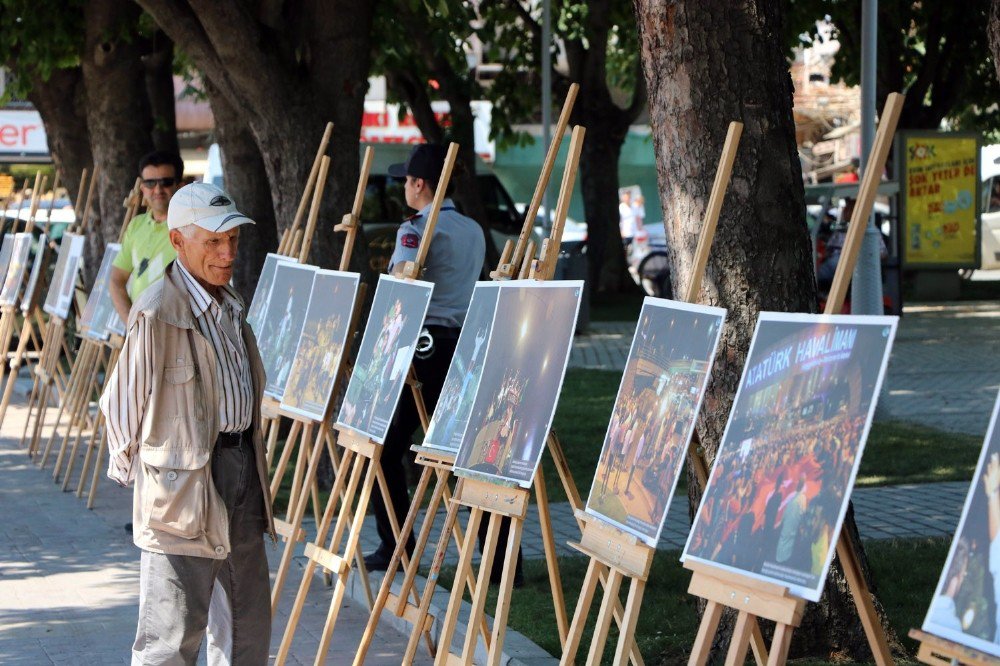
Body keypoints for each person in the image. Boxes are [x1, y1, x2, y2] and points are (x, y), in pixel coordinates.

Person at [100, 182, 274, 664]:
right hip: (182, 486)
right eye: (214, 242)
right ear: (177, 242)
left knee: (246, 624)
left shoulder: (230, 305)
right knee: (172, 636)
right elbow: (119, 406)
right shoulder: (156, 311)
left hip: (241, 471)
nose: (228, 252)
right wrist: (149, 480)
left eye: (233, 240)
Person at [364, 143, 486, 572]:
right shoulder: (472, 229)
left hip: (425, 345)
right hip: (463, 343)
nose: (404, 189)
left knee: (383, 447)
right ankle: (500, 557)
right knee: (469, 455)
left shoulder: (415, 228)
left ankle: (396, 546)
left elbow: (403, 283)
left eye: (406, 182)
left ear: (420, 184)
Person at [109, 150, 184, 325]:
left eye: (166, 182)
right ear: (142, 188)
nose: (157, 189)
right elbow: (116, 279)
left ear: (180, 186)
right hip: (141, 332)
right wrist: (131, 323)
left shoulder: (190, 227)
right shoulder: (136, 225)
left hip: (179, 329)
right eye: (150, 183)